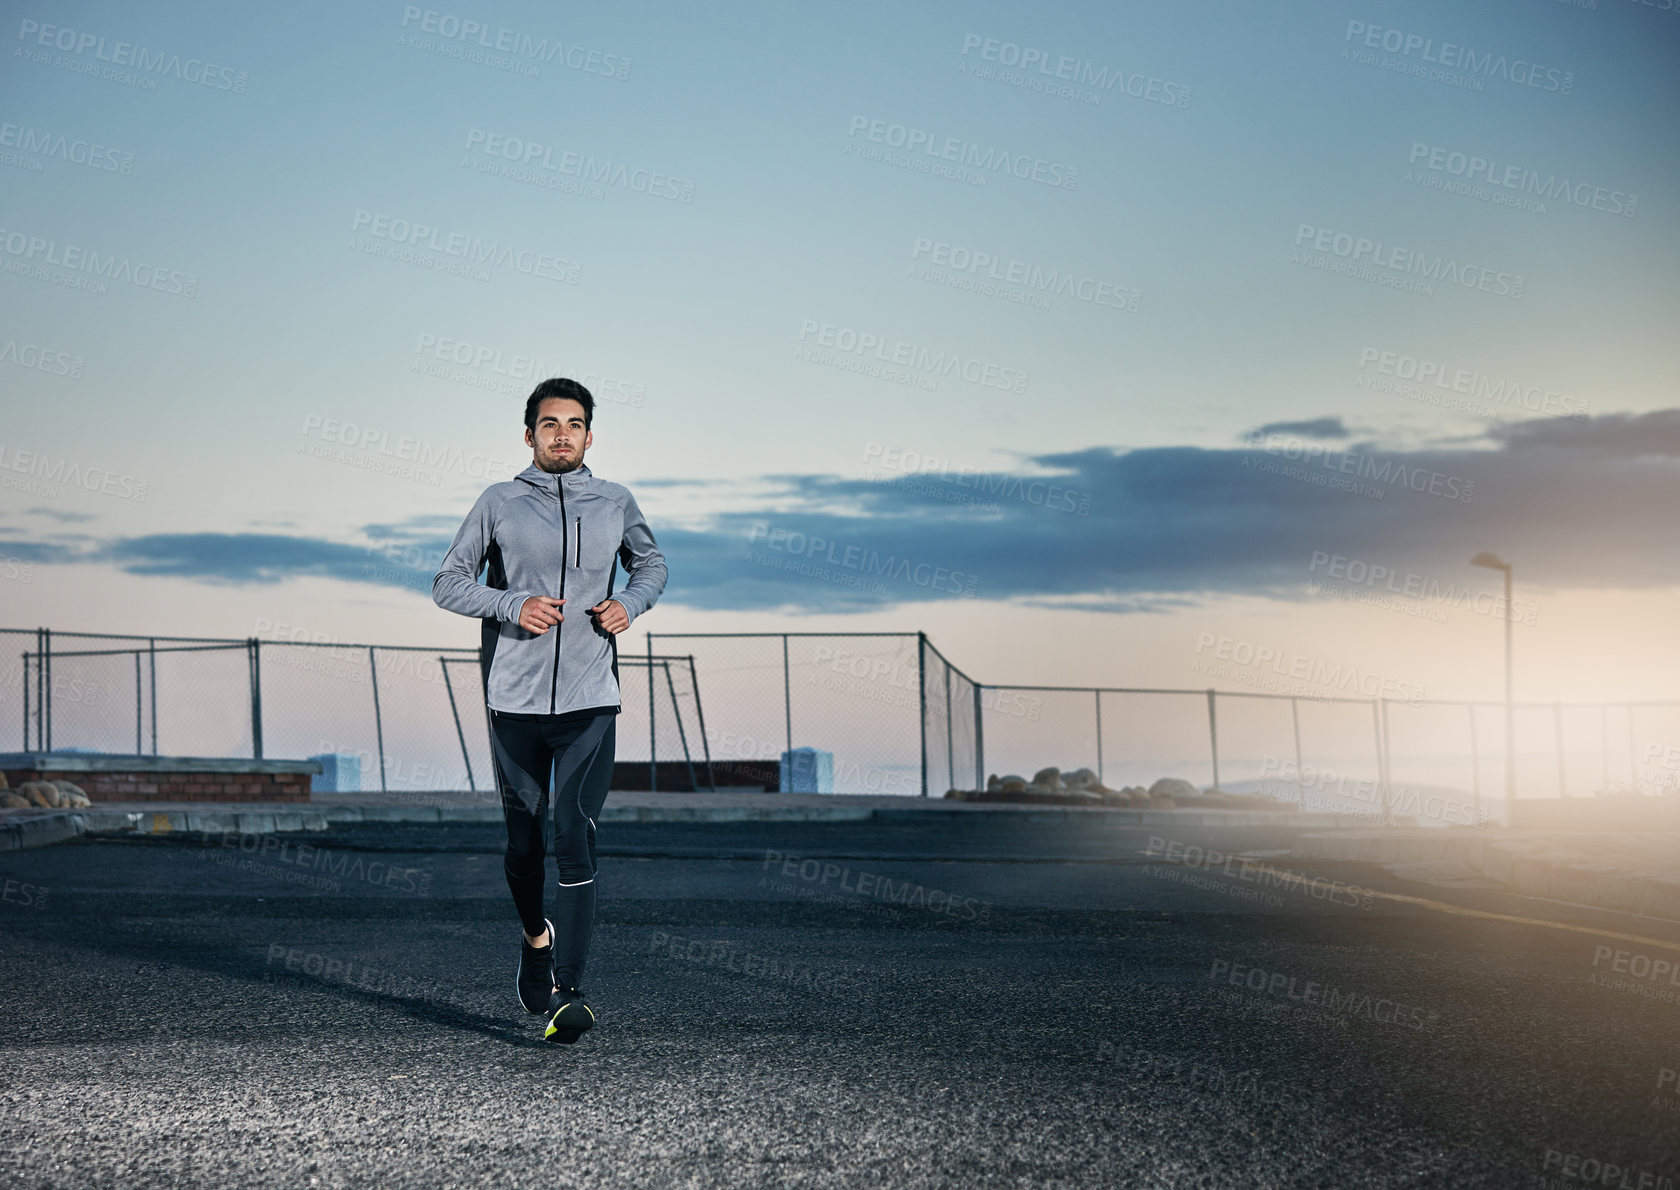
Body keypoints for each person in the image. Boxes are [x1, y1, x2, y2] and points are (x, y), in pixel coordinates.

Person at [432, 377, 667, 1043]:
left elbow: (651, 567)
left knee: (575, 830)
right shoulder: (499, 502)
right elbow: (447, 582)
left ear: (590, 436)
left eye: (573, 424)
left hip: (592, 699)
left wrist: (631, 603)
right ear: (529, 435)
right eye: (548, 424)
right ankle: (536, 937)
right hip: (514, 703)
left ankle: (570, 992)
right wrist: (511, 604)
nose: (560, 433)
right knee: (524, 843)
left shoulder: (616, 501)